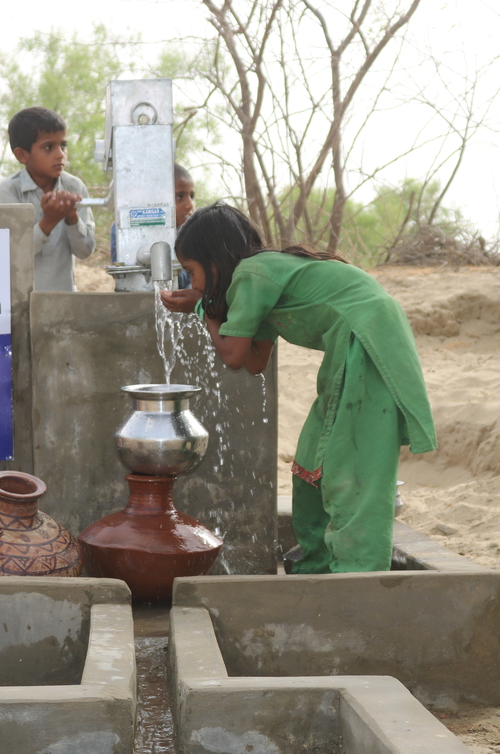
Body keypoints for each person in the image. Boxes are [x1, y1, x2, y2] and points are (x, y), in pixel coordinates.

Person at [161, 204, 436, 574]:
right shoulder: (254, 284)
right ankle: (317, 567)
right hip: (351, 346)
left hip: (368, 339)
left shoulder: (251, 273)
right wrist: (214, 308)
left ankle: (358, 575)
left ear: (215, 261)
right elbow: (256, 361)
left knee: (352, 464)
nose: (191, 282)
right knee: (313, 460)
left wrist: (203, 309)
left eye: (191, 271)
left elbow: (234, 355)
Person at [0, 107, 95, 291]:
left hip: (63, 300)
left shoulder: (74, 187)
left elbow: (85, 251)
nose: (60, 154)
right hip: (20, 301)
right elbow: (10, 255)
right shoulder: (8, 192)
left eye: (63, 146)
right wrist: (49, 221)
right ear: (22, 155)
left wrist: (72, 218)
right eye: (48, 147)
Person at [110, 163, 198, 288]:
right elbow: (123, 274)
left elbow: (186, 279)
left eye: (191, 196)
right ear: (155, 199)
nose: (189, 205)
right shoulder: (123, 229)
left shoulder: (191, 233)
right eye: (179, 197)